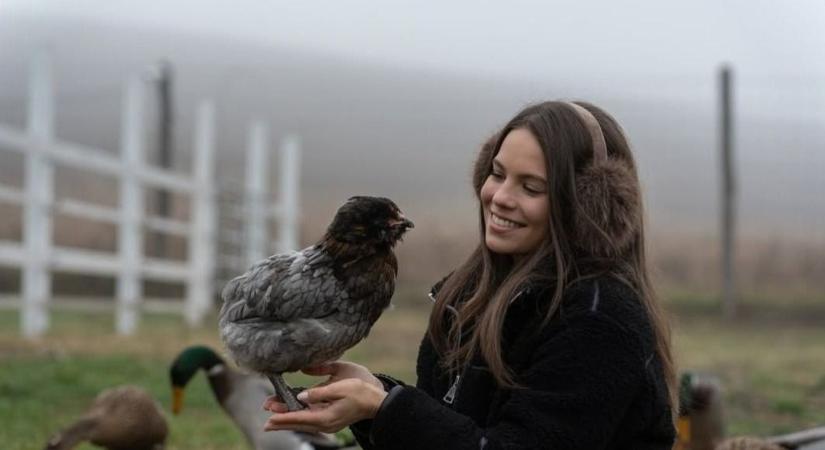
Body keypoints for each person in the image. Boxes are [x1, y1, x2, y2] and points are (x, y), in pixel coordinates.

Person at [262, 100, 678, 449]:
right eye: (497, 174)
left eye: (531, 188)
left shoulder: (599, 321)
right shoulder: (469, 293)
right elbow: (454, 429)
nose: (500, 198)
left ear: (587, 204)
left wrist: (384, 407)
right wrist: (378, 397)